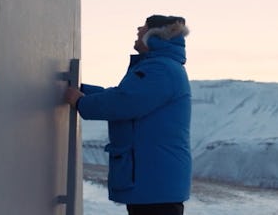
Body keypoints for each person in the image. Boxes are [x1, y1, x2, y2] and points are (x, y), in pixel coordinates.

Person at [64, 15, 192, 215]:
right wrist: (83, 91)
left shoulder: (160, 69)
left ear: (154, 35)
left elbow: (125, 102)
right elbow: (121, 96)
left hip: (154, 181)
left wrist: (81, 101)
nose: (138, 28)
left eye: (144, 26)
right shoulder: (162, 67)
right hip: (155, 181)